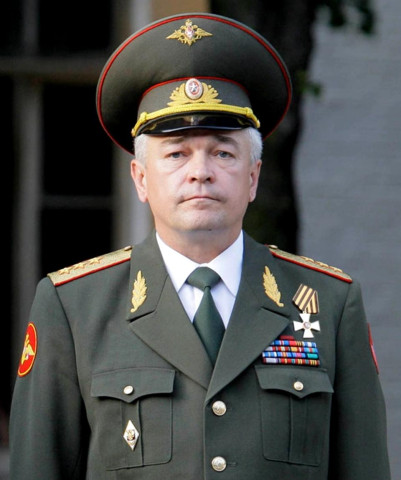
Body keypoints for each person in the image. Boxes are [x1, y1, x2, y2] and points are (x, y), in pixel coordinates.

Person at [9, 12, 391, 480]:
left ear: (253, 177)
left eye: (223, 152)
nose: (200, 172)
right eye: (176, 153)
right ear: (140, 178)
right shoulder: (74, 308)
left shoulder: (329, 305)